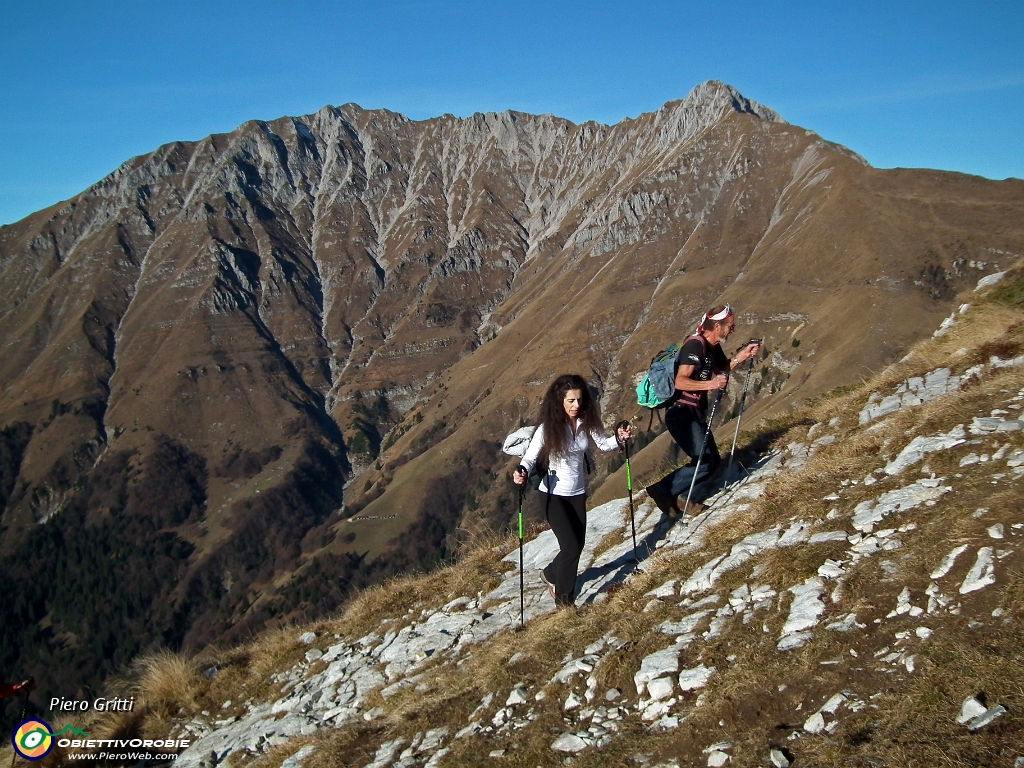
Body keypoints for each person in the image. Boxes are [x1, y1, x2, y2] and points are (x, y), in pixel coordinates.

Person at [513, 374, 632, 608]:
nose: (576, 405)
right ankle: (565, 602)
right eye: (570, 401)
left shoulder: (585, 422)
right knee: (570, 547)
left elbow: (604, 444)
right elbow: (529, 458)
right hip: (552, 495)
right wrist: (521, 471)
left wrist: (619, 438)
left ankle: (550, 573)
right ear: (559, 401)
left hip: (577, 494)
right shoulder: (548, 429)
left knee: (576, 545)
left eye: (579, 400)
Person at [645, 305, 759, 516]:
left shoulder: (711, 346)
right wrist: (711, 385)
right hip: (681, 414)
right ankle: (662, 490)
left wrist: (741, 356)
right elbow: (680, 381)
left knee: (711, 460)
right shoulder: (695, 346)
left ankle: (674, 497)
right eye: (730, 327)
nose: (732, 331)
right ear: (717, 325)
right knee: (705, 461)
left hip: (693, 413)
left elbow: (720, 369)